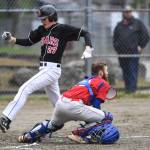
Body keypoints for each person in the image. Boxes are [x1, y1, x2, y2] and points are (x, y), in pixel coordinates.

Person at [0, 4, 94, 133]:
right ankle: (88, 119)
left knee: (24, 89)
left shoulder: (62, 29)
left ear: (51, 17)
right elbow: (28, 41)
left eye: (44, 19)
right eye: (41, 19)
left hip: (52, 70)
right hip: (44, 70)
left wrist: (88, 47)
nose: (42, 21)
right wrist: (11, 39)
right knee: (61, 105)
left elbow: (85, 33)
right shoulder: (41, 30)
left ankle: (6, 117)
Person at [17, 62, 119, 144]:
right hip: (74, 106)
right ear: (101, 73)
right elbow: (96, 105)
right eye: (106, 71)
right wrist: (94, 122)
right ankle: (79, 134)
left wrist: (91, 119)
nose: (108, 73)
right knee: (107, 117)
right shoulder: (103, 83)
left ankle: (27, 136)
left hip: (61, 103)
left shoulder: (87, 81)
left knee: (53, 125)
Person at [113, 5, 149, 93]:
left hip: (133, 52)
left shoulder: (137, 23)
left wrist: (141, 46)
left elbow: (145, 35)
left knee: (132, 71)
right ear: (123, 13)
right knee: (125, 71)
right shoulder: (119, 25)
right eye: (126, 12)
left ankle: (132, 90)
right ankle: (127, 89)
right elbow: (115, 38)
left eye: (129, 11)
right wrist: (117, 48)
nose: (128, 13)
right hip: (122, 53)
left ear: (131, 12)